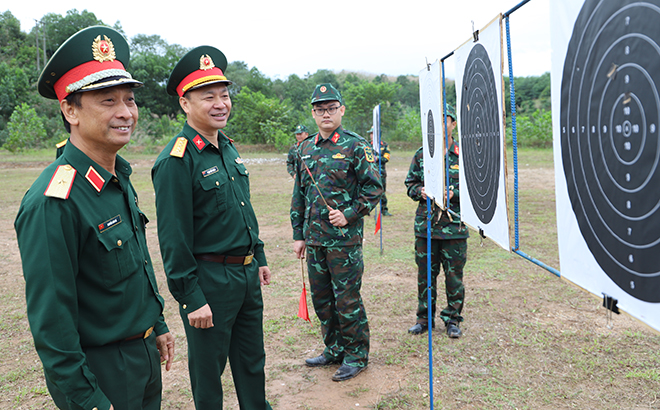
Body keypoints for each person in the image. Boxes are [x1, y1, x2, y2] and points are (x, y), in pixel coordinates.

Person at [14, 26, 174, 410]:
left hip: (142, 357)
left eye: (130, 100)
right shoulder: (54, 201)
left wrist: (158, 324)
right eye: (107, 101)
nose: (125, 112)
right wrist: (88, 399)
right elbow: (52, 325)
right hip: (101, 373)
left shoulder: (117, 177)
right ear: (70, 109)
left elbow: (135, 265)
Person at [151, 46, 272, 409]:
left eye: (224, 95)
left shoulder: (228, 149)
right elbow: (173, 238)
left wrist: (259, 254)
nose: (221, 103)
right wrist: (191, 296)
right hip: (210, 281)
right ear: (185, 104)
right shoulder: (177, 159)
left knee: (253, 363)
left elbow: (243, 209)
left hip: (246, 274)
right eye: (209, 97)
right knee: (208, 374)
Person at [291, 83, 383, 381]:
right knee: (323, 299)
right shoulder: (305, 148)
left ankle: (356, 355)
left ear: (341, 110)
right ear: (314, 114)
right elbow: (300, 194)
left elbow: (374, 188)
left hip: (344, 241)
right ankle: (333, 349)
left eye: (331, 108)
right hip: (315, 240)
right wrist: (298, 234)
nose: (325, 114)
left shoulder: (356, 146)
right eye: (319, 109)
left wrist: (349, 214)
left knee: (346, 299)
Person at [404, 104, 469, 338]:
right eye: (436, 120)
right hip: (426, 228)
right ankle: (424, 319)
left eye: (446, 119)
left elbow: (477, 189)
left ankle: (452, 320)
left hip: (454, 228)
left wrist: (454, 194)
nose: (441, 124)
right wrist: (419, 190)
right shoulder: (422, 154)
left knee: (454, 278)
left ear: (453, 124)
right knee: (425, 277)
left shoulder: (464, 154)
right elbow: (409, 184)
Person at [368, 126, 392, 216]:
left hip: (381, 172)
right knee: (369, 191)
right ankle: (368, 210)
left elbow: (386, 158)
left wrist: (377, 158)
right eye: (370, 133)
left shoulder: (384, 145)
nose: (371, 135)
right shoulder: (367, 145)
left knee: (381, 191)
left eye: (372, 133)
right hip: (370, 171)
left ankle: (384, 210)